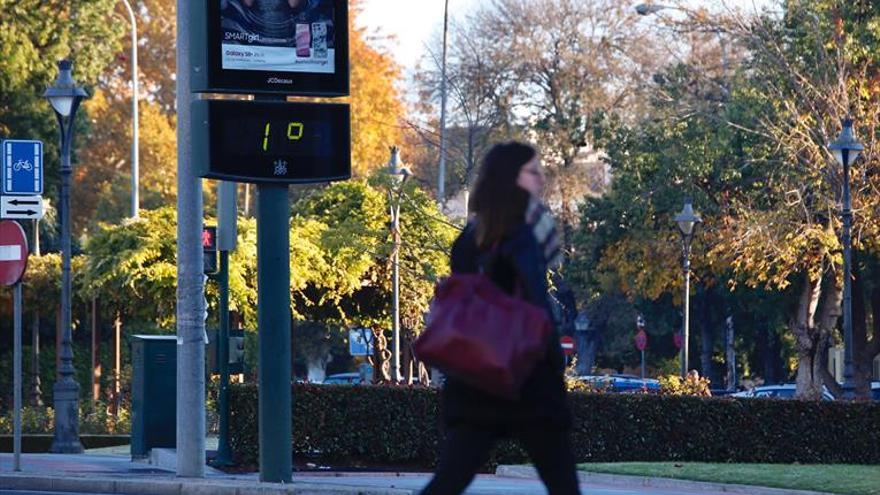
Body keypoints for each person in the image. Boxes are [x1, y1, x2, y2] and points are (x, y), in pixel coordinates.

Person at [421, 142, 581, 495]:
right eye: (533, 172)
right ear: (512, 177)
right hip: (527, 376)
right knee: (563, 484)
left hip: (477, 374)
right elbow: (537, 303)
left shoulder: (468, 237)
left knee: (449, 480)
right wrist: (556, 361)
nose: (540, 180)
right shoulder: (526, 233)